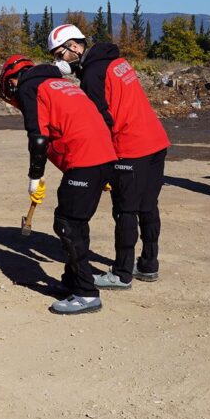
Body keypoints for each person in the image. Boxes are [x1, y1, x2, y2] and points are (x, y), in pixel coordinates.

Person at [46, 24, 171, 289]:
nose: (60, 61)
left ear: (75, 46)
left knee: (125, 211)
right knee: (148, 206)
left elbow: (101, 120)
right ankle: (148, 264)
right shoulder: (116, 60)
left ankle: (122, 273)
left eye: (60, 54)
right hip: (156, 141)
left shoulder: (92, 74)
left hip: (130, 147)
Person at [0, 55, 117, 315]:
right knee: (74, 220)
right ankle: (73, 280)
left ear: (13, 81)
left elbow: (38, 139)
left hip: (86, 158)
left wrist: (35, 177)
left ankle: (86, 293)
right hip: (102, 155)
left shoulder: (30, 86)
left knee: (68, 224)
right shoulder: (60, 84)